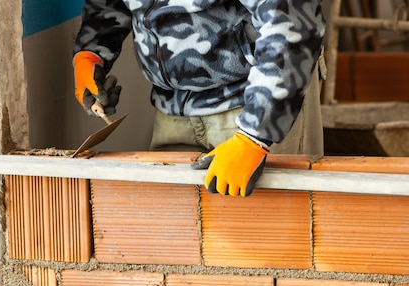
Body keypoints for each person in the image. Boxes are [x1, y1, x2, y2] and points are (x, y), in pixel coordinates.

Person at [72, 0, 326, 197]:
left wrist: (256, 135)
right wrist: (91, 53)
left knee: (272, 236)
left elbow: (292, 22)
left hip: (253, 102)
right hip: (171, 108)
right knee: (180, 241)